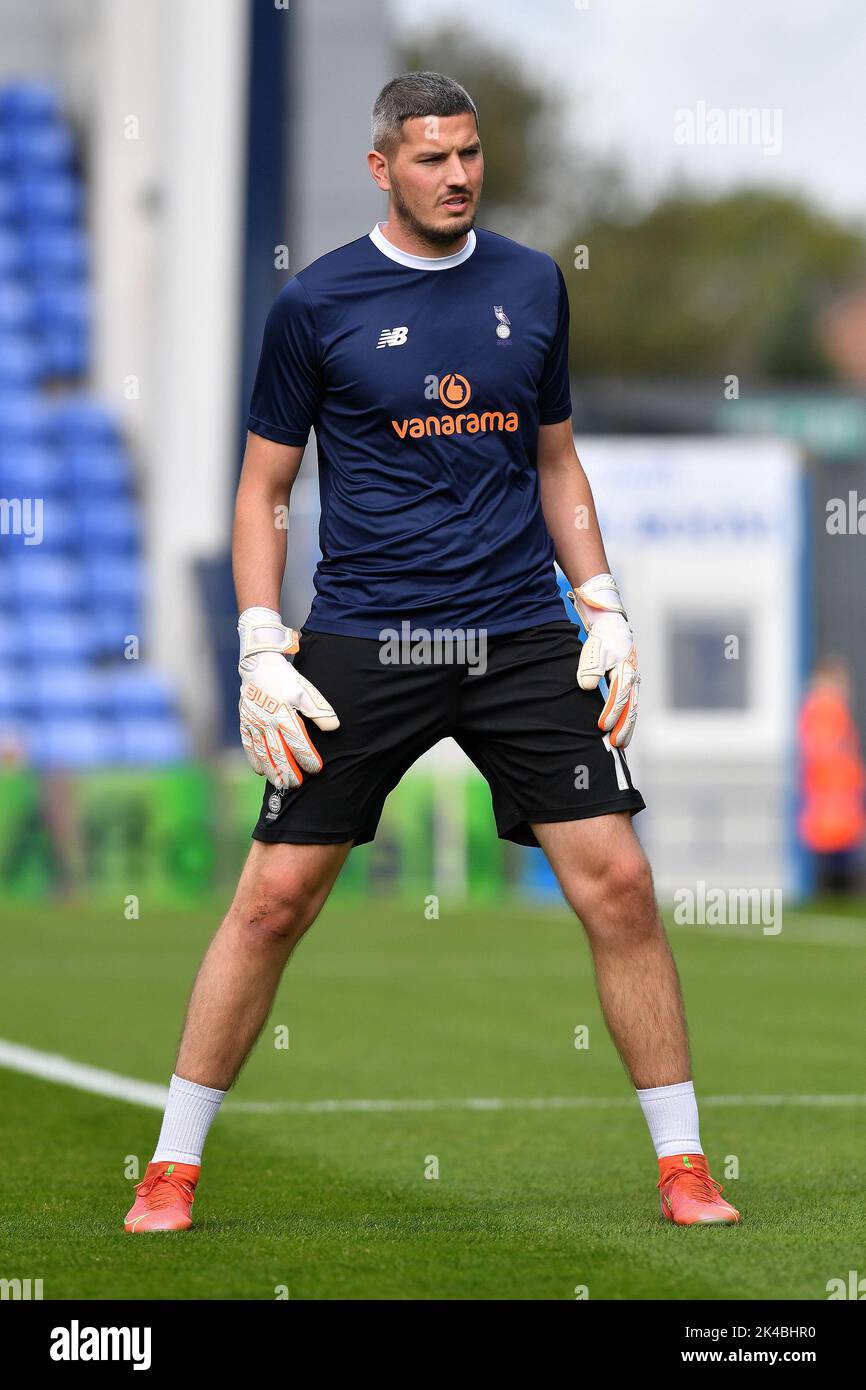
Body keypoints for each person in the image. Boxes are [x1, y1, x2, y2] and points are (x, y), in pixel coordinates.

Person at [125, 72, 738, 1235]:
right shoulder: (313, 304)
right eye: (430, 158)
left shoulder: (530, 283)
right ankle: (170, 1166)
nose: (456, 175)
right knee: (272, 902)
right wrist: (260, 639)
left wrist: (599, 602)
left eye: (468, 155)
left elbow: (554, 462)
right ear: (380, 167)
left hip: (519, 632)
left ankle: (685, 1164)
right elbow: (264, 488)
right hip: (366, 632)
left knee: (619, 885)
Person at [798, 656, 865, 894]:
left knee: (840, 851)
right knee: (834, 857)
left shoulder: (829, 707)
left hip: (839, 796)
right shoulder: (823, 707)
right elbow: (824, 748)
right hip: (831, 796)